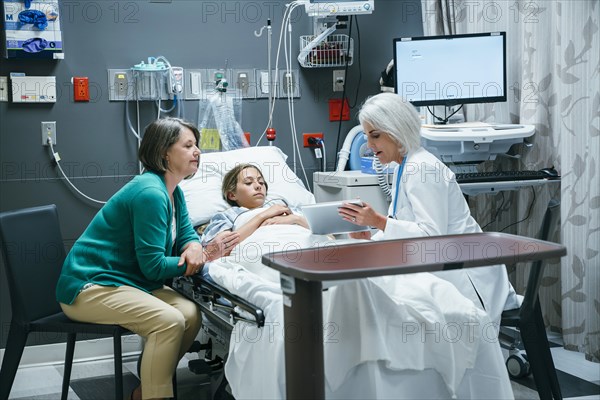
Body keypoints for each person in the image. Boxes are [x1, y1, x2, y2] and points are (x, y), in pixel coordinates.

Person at [56, 117, 239, 400]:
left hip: (127, 281)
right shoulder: (150, 193)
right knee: (168, 321)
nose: (197, 151)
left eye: (197, 145)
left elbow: (186, 231)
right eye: (188, 145)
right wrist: (203, 256)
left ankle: (146, 391)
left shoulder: (172, 189)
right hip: (88, 286)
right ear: (165, 152)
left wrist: (192, 246)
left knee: (190, 315)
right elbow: (153, 268)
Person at [338, 93, 519, 324]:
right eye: (366, 136)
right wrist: (370, 237)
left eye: (375, 136)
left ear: (396, 130)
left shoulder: (422, 169)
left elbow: (431, 237)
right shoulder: (405, 167)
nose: (369, 145)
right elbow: (405, 224)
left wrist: (378, 222)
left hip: (467, 276)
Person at [202, 163, 308, 249]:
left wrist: (295, 219)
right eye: (248, 183)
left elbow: (323, 234)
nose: (258, 186)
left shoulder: (283, 209)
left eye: (261, 182)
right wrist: (262, 216)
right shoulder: (228, 216)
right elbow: (220, 248)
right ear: (232, 195)